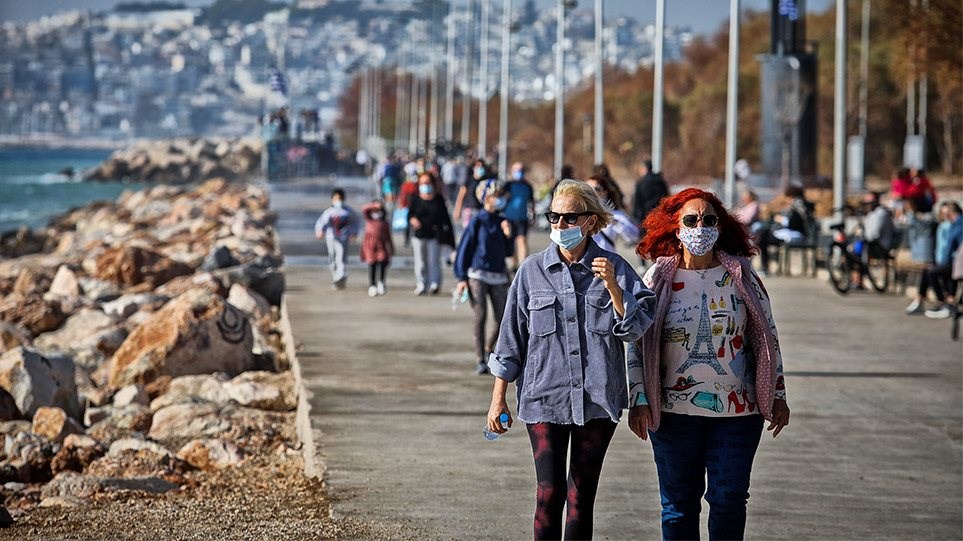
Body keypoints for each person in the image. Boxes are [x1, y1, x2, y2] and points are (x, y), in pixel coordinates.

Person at [485, 179, 656, 540]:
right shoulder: (531, 271)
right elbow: (510, 339)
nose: (560, 226)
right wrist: (498, 398)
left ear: (590, 222)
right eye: (554, 217)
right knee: (549, 492)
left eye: (569, 218)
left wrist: (613, 289)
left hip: (597, 401)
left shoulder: (615, 267)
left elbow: (637, 329)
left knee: (581, 496)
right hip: (544, 398)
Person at [628, 187, 790, 541]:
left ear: (721, 226)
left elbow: (767, 336)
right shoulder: (658, 278)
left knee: (729, 499)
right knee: (677, 507)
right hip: (672, 416)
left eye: (709, 220)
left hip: (738, 415)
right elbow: (636, 346)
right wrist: (639, 399)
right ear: (675, 227)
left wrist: (778, 393)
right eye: (691, 219)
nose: (700, 227)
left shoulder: (740, 275)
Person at [454, 179, 514, 375]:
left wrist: (508, 234)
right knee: (480, 316)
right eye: (497, 195)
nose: (500, 199)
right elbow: (464, 249)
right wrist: (461, 277)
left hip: (498, 275)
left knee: (503, 317)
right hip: (477, 274)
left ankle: (490, 348)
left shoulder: (502, 221)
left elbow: (507, 252)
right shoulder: (477, 221)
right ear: (486, 197)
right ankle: (480, 358)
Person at [906, 201, 963, 318]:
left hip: (954, 262)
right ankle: (923, 299)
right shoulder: (951, 225)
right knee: (929, 271)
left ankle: (944, 303)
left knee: (933, 272)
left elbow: (949, 245)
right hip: (951, 261)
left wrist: (942, 262)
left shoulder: (955, 226)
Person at [408, 172, 455, 295]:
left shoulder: (438, 199)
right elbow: (410, 214)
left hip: (434, 235)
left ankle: (435, 284)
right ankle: (421, 284)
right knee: (420, 262)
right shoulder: (415, 198)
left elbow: (446, 220)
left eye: (428, 183)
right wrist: (413, 219)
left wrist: (451, 241)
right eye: (423, 183)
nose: (425, 185)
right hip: (419, 235)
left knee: (434, 261)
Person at [756, 185, 814, 275]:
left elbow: (795, 222)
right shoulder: (803, 204)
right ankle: (766, 266)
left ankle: (765, 267)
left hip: (795, 234)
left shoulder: (798, 204)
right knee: (764, 234)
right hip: (795, 233)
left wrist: (780, 219)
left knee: (763, 236)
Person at [315, 188, 360, 290]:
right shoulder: (329, 212)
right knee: (332, 258)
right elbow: (321, 223)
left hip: (343, 238)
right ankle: (337, 277)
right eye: (336, 198)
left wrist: (354, 233)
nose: (338, 200)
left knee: (341, 258)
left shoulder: (348, 211)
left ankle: (340, 277)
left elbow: (356, 222)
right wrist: (320, 231)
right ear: (332, 199)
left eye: (340, 198)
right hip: (331, 238)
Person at [586, 174, 639, 253]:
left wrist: (616, 223)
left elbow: (634, 235)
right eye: (587, 188)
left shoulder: (615, 215)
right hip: (583, 261)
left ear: (604, 192)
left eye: (596, 189)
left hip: (605, 260)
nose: (592, 192)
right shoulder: (577, 213)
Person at [504, 162, 536, 269]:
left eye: (521, 170)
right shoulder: (508, 185)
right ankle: (513, 264)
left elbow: (531, 202)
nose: (519, 172)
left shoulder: (528, 186)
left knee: (522, 240)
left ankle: (523, 265)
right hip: (509, 218)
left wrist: (533, 215)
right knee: (510, 242)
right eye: (517, 170)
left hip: (523, 218)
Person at [360, 199, 394, 297]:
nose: (376, 213)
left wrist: (391, 248)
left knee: (382, 263)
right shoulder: (369, 220)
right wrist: (374, 206)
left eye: (378, 211)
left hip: (382, 246)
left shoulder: (385, 223)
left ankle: (381, 283)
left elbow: (388, 237)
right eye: (375, 211)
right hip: (370, 247)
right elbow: (364, 209)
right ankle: (372, 285)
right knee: (372, 265)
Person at [453, 158, 491, 228]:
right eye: (478, 166)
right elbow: (461, 195)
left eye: (482, 166)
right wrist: (457, 210)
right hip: (469, 211)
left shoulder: (486, 181)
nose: (480, 168)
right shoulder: (468, 180)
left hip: (481, 211)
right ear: (474, 168)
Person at [632, 159, 669, 225]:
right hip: (660, 216)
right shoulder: (660, 181)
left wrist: (636, 218)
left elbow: (637, 203)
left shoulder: (641, 183)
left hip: (645, 217)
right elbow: (667, 198)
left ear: (644, 169)